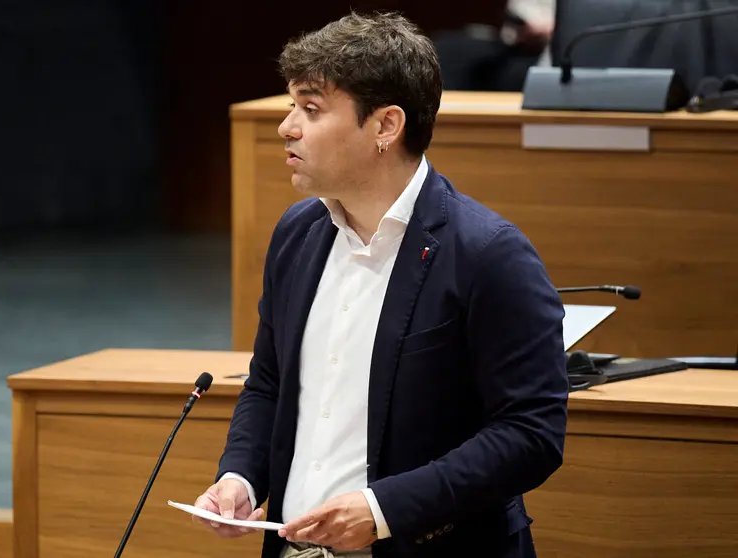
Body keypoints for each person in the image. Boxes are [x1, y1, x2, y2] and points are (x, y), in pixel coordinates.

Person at [192, 11, 568, 558]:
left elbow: (530, 435)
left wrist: (384, 510)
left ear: (386, 127)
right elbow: (271, 382)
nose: (287, 126)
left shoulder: (489, 254)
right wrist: (241, 478)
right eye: (292, 104)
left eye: (311, 109)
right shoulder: (297, 234)